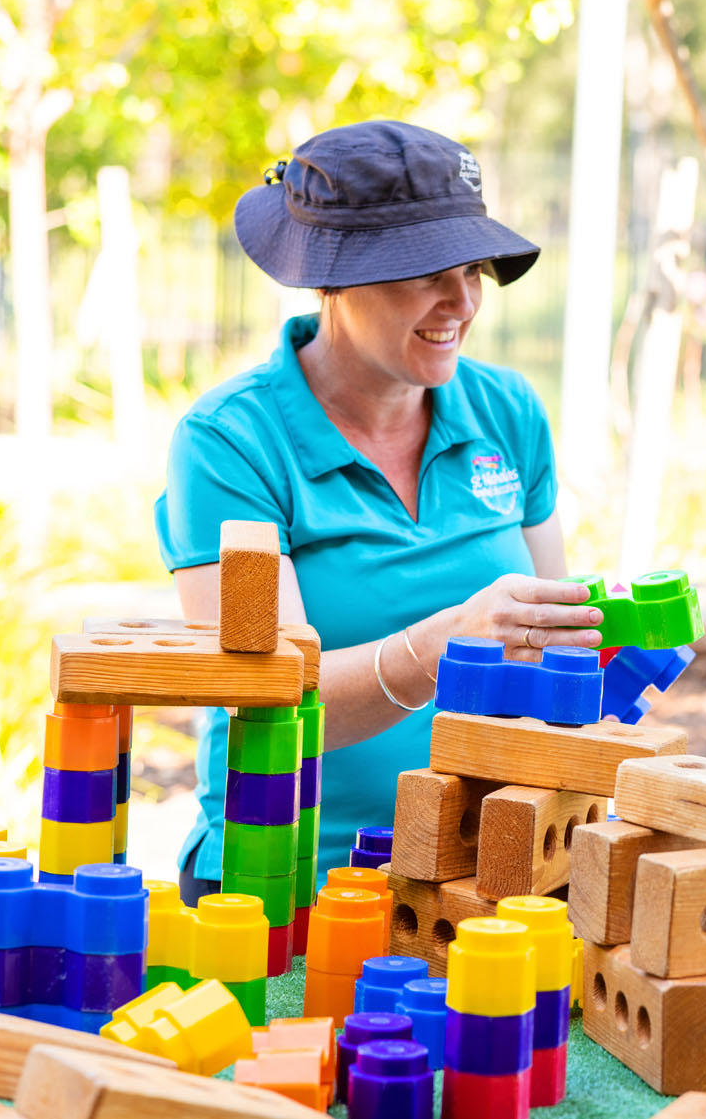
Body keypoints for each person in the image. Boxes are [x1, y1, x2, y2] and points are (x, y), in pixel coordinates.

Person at [155, 120, 603, 903]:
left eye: (473, 268)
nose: (461, 302)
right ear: (331, 279)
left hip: (484, 877)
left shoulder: (509, 413)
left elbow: (548, 650)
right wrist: (444, 646)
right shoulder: (231, 442)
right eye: (426, 271)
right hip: (284, 879)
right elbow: (267, 707)